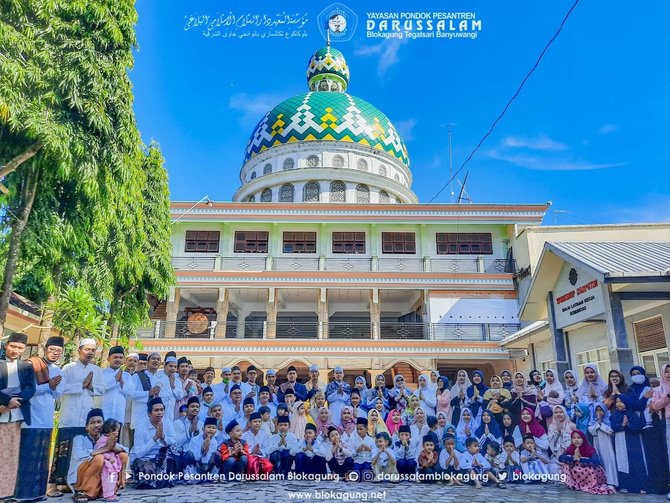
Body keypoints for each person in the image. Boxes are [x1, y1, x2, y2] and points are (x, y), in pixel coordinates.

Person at [16, 335, 63, 501]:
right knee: (27, 456)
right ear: (45, 349)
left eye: (59, 351)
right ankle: (22, 493)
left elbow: (58, 393)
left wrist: (53, 387)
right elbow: (26, 389)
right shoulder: (31, 364)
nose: (55, 353)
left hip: (46, 418)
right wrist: (47, 386)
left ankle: (38, 493)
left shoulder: (58, 369)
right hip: (31, 417)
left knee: (42, 457)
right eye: (52, 350)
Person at [0, 331, 36, 501]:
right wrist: (7, 400)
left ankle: (6, 493)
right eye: (13, 346)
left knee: (11, 453)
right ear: (6, 345)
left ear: (23, 349)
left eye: (20, 348)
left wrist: (16, 401)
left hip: (16, 414)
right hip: (1, 409)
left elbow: (30, 388)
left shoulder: (26, 367)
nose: (15, 350)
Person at [67, 409, 127, 502]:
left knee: (122, 456)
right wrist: (105, 449)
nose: (96, 425)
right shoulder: (79, 439)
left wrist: (112, 447)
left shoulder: (106, 439)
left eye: (99, 422)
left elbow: (125, 449)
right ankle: (84, 491)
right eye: (92, 423)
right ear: (87, 427)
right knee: (99, 458)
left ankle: (106, 491)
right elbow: (79, 454)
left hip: (101, 478)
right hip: (80, 478)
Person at [130, 397, 178, 489]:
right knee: (147, 469)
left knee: (173, 457)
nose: (160, 412)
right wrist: (155, 438)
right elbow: (138, 453)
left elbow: (174, 441)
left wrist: (163, 437)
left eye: (161, 410)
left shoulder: (167, 423)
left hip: (160, 458)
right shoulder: (141, 428)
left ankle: (160, 479)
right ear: (149, 413)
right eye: (156, 410)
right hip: (144, 459)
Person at [610, 394, 649, 493]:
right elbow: (613, 428)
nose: (619, 404)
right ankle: (625, 486)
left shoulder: (632, 414)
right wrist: (622, 425)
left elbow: (639, 428)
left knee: (635, 462)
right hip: (620, 441)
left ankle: (641, 486)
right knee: (622, 463)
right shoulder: (614, 416)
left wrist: (628, 425)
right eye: (617, 402)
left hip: (633, 442)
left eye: (621, 402)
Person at [559, 429, 615, 495]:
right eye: (574, 438)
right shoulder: (571, 448)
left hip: (589, 475)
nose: (576, 440)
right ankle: (573, 484)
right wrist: (574, 458)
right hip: (578, 475)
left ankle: (590, 485)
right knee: (566, 465)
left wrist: (580, 459)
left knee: (590, 468)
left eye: (579, 438)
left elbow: (596, 461)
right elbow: (561, 457)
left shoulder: (589, 448)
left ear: (583, 439)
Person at [93, 419, 126, 501]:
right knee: (107, 480)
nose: (118, 433)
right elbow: (100, 451)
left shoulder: (111, 439)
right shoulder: (103, 440)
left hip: (112, 462)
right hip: (106, 465)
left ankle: (112, 491)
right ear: (110, 431)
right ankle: (108, 494)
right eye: (116, 431)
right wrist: (108, 457)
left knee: (113, 478)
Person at [587, 401, 618, 487]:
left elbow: (611, 432)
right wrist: (598, 424)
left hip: (607, 444)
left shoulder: (608, 420)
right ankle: (601, 480)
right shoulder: (593, 422)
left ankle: (611, 481)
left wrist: (602, 425)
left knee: (608, 460)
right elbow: (592, 431)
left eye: (601, 410)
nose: (599, 412)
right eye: (597, 410)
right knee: (600, 460)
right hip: (597, 444)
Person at [101, 346, 131, 425]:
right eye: (115, 357)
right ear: (108, 359)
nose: (118, 360)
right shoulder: (101, 373)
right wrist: (115, 379)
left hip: (119, 415)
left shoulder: (127, 376)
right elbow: (101, 388)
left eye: (120, 358)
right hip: (104, 414)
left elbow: (130, 394)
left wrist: (121, 382)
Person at [242, 412, 273, 477]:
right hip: (250, 457)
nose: (257, 423)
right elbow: (242, 449)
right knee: (253, 463)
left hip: (261, 457)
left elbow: (269, 448)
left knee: (268, 465)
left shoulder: (264, 435)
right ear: (250, 424)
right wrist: (251, 451)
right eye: (255, 421)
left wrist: (260, 451)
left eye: (259, 421)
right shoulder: (244, 436)